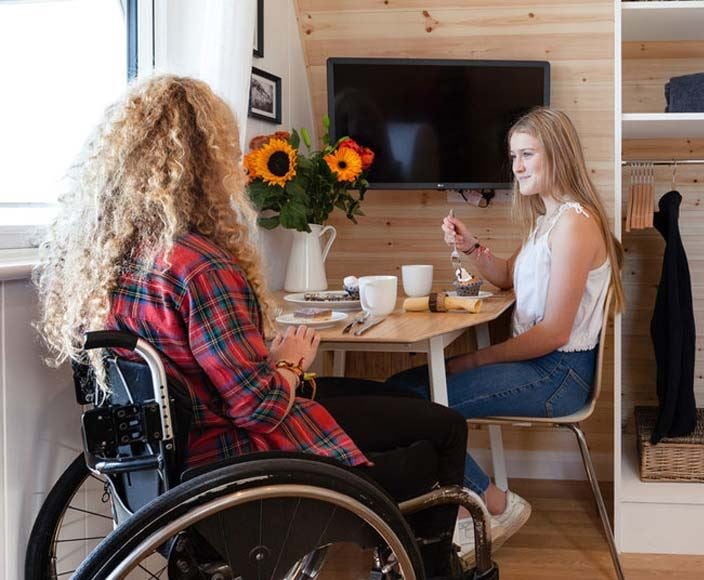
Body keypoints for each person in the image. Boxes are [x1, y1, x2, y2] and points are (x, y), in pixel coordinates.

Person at [34, 75, 468, 578]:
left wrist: (266, 356)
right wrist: (287, 361)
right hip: (236, 453)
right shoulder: (200, 266)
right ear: (205, 164)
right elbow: (258, 408)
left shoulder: (112, 261)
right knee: (444, 427)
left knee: (406, 402)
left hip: (170, 456)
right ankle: (434, 563)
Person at [383, 107, 625, 558]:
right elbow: (508, 275)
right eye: (513, 156)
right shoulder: (547, 219)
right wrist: (471, 246)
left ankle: (491, 504)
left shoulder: (576, 222)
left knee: (416, 402)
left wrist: (475, 359)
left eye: (527, 154)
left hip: (559, 373)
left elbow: (554, 332)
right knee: (400, 390)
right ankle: (457, 507)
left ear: (557, 154)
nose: (516, 167)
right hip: (539, 364)